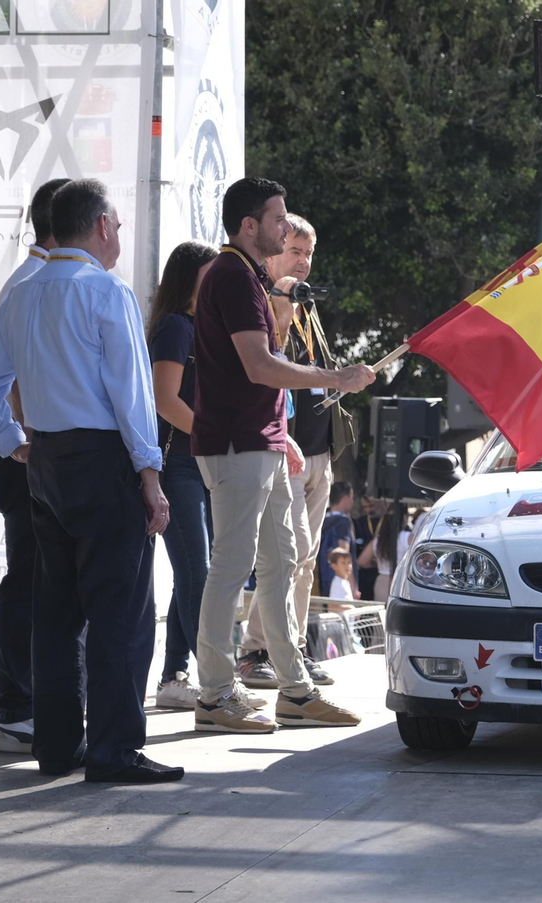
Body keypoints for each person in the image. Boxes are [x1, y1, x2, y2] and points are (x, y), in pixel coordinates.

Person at [0, 178, 182, 784]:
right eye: (119, 225)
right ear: (103, 225)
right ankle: (113, 750)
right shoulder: (106, 291)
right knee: (120, 612)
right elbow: (131, 396)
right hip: (103, 459)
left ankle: (58, 747)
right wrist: (150, 475)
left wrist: (14, 444)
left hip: (48, 460)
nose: (120, 237)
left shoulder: (23, 292)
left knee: (56, 612)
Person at [189, 177, 374, 734]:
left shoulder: (245, 277)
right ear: (249, 226)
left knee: (282, 561)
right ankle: (216, 693)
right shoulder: (232, 276)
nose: (286, 229)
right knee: (234, 565)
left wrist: (283, 431)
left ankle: (294, 690)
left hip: (260, 441)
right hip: (236, 443)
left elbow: (264, 362)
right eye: (277, 220)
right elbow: (260, 366)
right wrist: (337, 376)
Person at [0, 176, 70, 754]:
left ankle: (33, 705)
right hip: (30, 462)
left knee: (41, 582)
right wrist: (20, 441)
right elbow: (3, 381)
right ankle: (17, 710)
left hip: (38, 457)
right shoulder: (33, 282)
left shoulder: (39, 279)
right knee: (28, 583)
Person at [237, 214, 335, 690]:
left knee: (306, 557)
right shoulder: (260, 298)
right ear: (274, 251)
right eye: (294, 250)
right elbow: (268, 365)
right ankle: (256, 649)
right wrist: (280, 310)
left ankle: (290, 646)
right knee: (285, 552)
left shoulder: (306, 302)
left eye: (309, 253)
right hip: (282, 447)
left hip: (319, 449)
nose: (303, 261)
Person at [147, 241, 220, 710]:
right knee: (199, 574)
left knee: (193, 573)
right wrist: (213, 432)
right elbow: (164, 399)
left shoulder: (201, 326)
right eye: (211, 274)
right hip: (179, 464)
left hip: (201, 463)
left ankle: (176, 674)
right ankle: (217, 683)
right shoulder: (175, 327)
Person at [318, 481, 356, 597]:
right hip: (340, 582)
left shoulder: (322, 519)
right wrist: (353, 587)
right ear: (345, 498)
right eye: (352, 497)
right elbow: (343, 554)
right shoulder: (343, 522)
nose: (353, 501)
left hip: (323, 579)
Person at [352, 495, 382, 601]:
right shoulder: (360, 522)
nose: (369, 509)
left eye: (371, 506)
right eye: (365, 507)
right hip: (365, 573)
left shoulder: (386, 521)